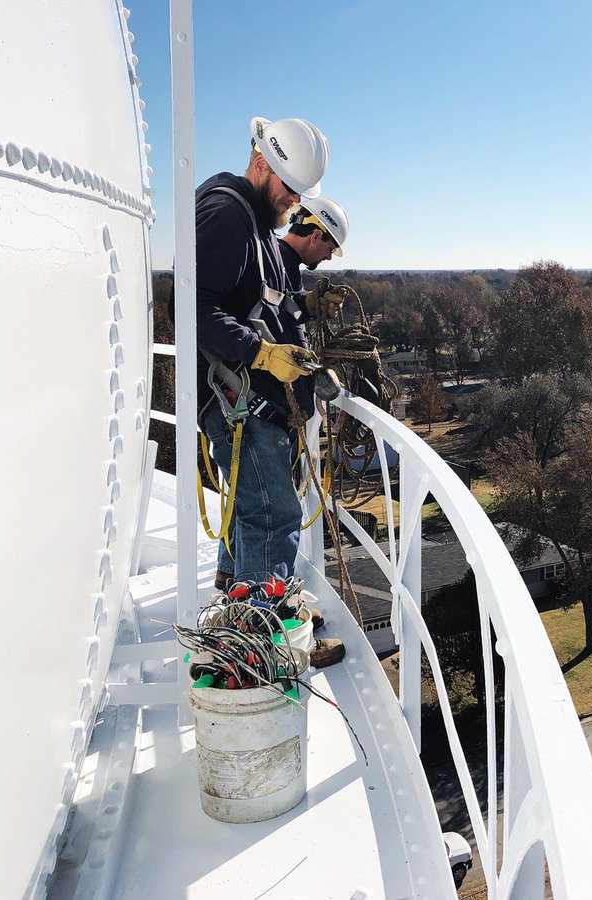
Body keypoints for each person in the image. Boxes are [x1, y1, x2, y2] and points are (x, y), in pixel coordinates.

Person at [189, 115, 343, 667]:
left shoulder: (251, 221)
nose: (293, 203)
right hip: (234, 398)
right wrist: (258, 354)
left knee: (258, 508)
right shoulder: (227, 214)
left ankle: (250, 604)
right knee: (273, 513)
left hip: (244, 397)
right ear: (262, 164)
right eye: (289, 190)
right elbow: (191, 310)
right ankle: (255, 648)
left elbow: (268, 309)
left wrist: (300, 363)